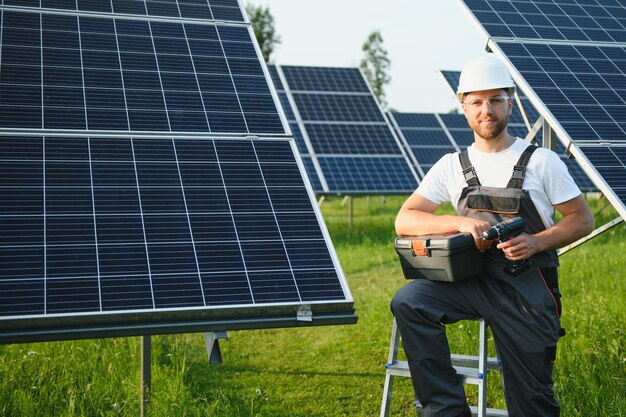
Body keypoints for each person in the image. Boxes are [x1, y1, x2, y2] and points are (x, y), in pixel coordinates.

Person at [390, 55, 594, 417]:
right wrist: (459, 223)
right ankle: (446, 409)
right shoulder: (451, 165)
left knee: (533, 402)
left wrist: (535, 242)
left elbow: (582, 220)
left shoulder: (542, 161)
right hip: (470, 279)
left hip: (527, 287)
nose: (487, 110)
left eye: (496, 100)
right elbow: (405, 218)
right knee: (410, 300)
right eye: (477, 101)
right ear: (463, 107)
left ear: (510, 104)